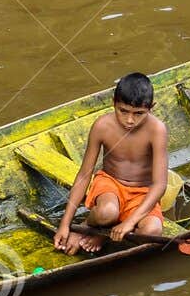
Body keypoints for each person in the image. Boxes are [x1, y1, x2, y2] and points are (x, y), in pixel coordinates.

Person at [55, 73, 169, 254]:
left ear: (151, 108)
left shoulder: (157, 130)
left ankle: (104, 233)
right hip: (110, 185)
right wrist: (65, 225)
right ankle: (88, 226)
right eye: (123, 111)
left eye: (139, 113)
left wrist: (129, 223)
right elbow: (85, 174)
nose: (130, 120)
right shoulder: (102, 125)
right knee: (106, 213)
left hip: (142, 192)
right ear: (113, 103)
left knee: (152, 231)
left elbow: (160, 184)